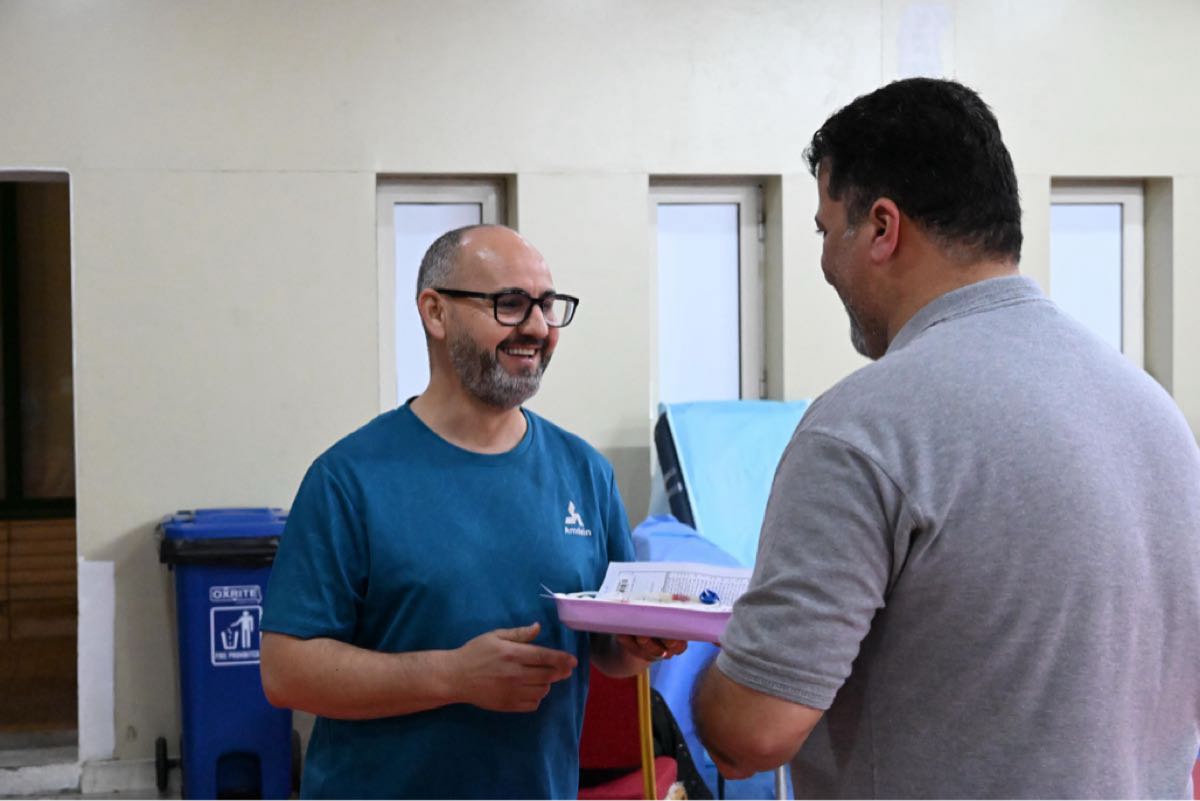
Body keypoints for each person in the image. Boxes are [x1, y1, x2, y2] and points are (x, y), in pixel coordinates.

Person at [692, 77, 1200, 799]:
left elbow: (750, 733)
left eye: (825, 230)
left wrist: (711, 672)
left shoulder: (865, 428)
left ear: (882, 228)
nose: (825, 263)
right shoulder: (1155, 414)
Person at [260, 224, 684, 799]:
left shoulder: (584, 472)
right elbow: (286, 672)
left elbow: (609, 650)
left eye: (547, 306)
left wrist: (639, 644)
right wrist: (451, 677)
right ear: (435, 313)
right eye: (509, 304)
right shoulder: (349, 479)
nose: (538, 327)